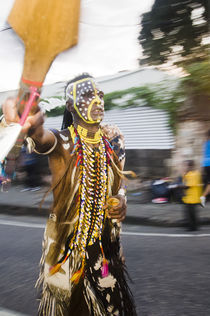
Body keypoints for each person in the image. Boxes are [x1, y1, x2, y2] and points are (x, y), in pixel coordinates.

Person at [2, 73, 136, 315]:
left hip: (103, 253)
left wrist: (122, 199)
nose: (97, 100)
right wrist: (26, 121)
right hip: (66, 256)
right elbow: (41, 138)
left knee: (112, 307)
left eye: (100, 94)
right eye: (88, 95)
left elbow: (119, 184)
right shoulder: (63, 142)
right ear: (70, 105)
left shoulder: (113, 140)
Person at [182, 160, 203, 231]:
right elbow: (185, 180)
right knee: (191, 213)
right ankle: (193, 226)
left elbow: (188, 185)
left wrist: (178, 186)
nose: (185, 167)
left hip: (192, 197)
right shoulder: (192, 173)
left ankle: (192, 227)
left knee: (191, 213)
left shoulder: (193, 174)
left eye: (186, 165)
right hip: (190, 197)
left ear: (190, 166)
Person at [200, 129, 210, 207]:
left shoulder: (206, 143)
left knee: (207, 183)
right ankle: (203, 197)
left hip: (205, 165)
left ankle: (204, 197)